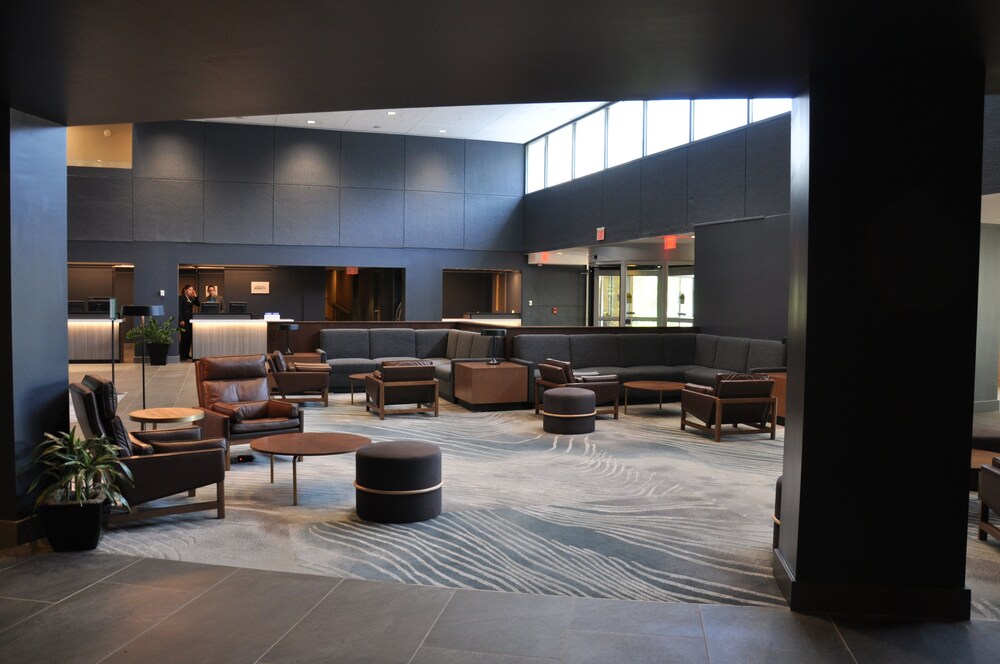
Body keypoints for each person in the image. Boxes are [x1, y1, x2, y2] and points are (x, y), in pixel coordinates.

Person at [178, 284, 199, 361]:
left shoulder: (191, 298)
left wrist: (195, 296)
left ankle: (187, 354)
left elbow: (198, 304)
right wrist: (180, 320)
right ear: (185, 290)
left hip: (190, 320)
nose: (191, 291)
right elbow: (179, 309)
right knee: (184, 338)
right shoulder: (181, 298)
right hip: (184, 321)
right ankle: (182, 355)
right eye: (190, 290)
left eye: (192, 290)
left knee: (189, 338)